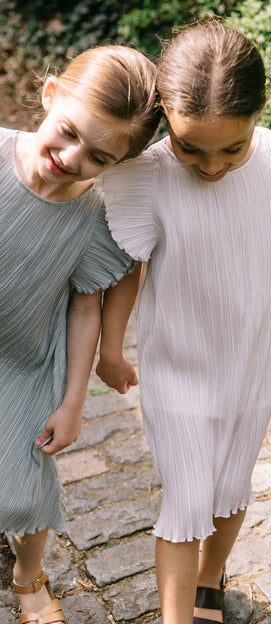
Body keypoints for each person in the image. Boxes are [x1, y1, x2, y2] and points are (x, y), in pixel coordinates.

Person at [96, 20, 271, 624]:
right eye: (191, 148)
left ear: (260, 112)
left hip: (253, 352)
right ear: (165, 114)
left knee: (231, 481)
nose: (210, 167)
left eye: (230, 149)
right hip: (179, 363)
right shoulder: (150, 176)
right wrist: (112, 347)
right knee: (187, 497)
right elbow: (129, 270)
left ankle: (209, 583)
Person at [0, 44, 160, 624]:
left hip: (23, 362)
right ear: (49, 97)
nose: (70, 157)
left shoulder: (94, 221)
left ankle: (27, 575)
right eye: (66, 133)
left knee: (23, 491)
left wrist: (73, 404)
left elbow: (84, 309)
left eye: (98, 157)